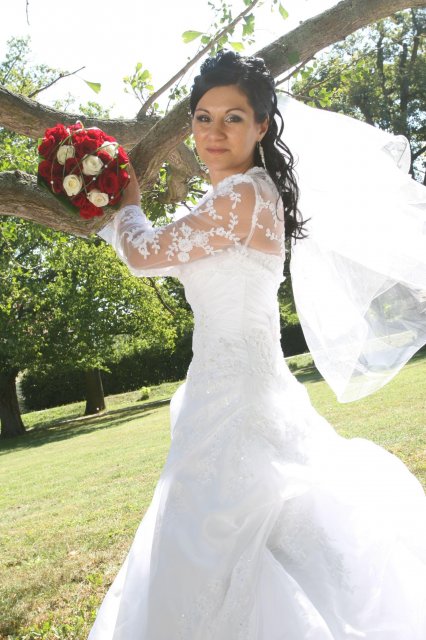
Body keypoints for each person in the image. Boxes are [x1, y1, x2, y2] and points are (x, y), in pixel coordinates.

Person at [88, 50, 426, 639]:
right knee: (232, 524)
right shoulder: (243, 195)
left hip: (237, 393)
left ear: (262, 125)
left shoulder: (241, 197)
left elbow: (144, 254)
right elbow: (176, 255)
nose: (214, 132)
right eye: (203, 118)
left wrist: (125, 203)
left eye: (233, 118)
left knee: (219, 527)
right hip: (232, 382)